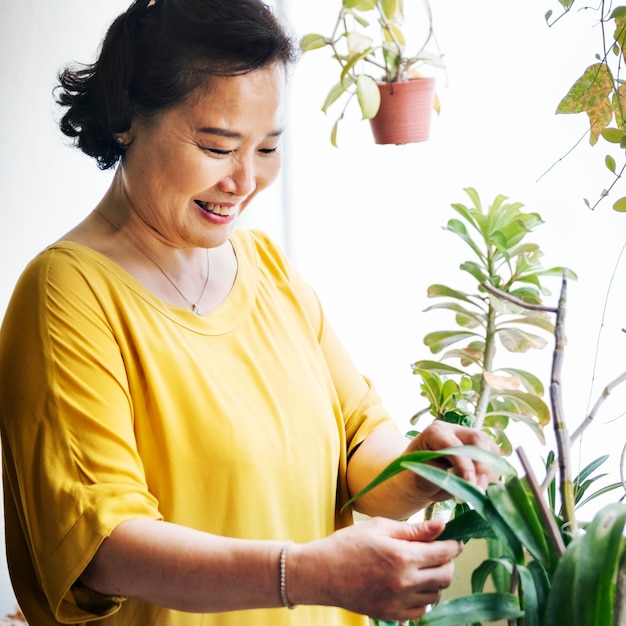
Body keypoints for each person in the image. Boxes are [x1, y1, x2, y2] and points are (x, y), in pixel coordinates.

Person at [0, 1, 497, 625]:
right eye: (217, 146)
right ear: (128, 117)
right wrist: (311, 573)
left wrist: (424, 466)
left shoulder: (266, 268)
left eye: (267, 148)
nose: (245, 179)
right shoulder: (66, 294)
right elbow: (103, 545)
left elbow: (359, 442)